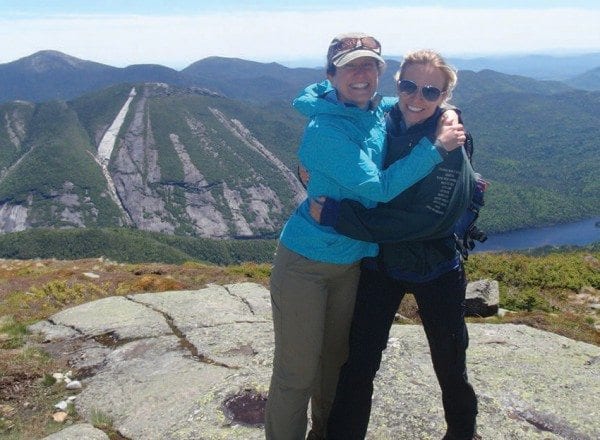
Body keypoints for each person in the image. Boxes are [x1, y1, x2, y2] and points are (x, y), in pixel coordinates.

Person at [265, 35, 466, 440]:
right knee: (297, 374)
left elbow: (418, 103)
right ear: (331, 74)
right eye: (350, 66)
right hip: (307, 262)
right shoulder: (325, 129)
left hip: (354, 263)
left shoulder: (376, 110)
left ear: (380, 74)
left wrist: (447, 111)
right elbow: (378, 188)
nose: (360, 74)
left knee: (333, 370)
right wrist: (436, 147)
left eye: (369, 65)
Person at [310, 49, 482, 440]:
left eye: (430, 91)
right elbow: (331, 109)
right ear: (397, 84)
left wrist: (338, 217)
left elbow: (425, 220)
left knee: (450, 359)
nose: (417, 98)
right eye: (408, 85)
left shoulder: (450, 143)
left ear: (444, 96)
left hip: (435, 265)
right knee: (359, 363)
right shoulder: (381, 121)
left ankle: (463, 431)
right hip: (382, 263)